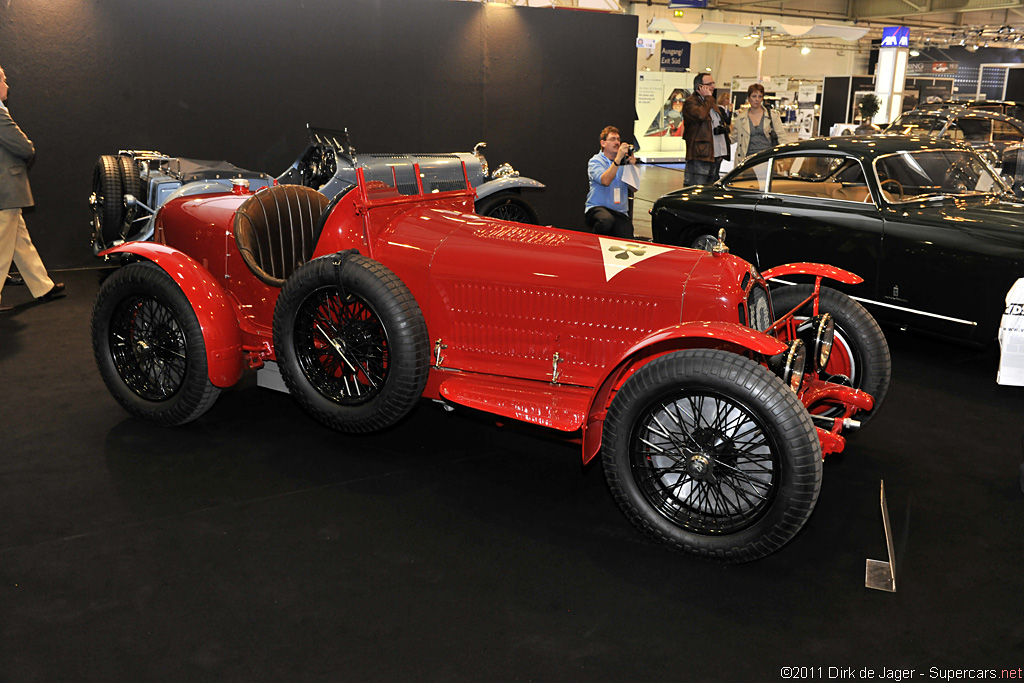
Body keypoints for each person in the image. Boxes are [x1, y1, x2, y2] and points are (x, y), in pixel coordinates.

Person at [0, 64, 63, 313]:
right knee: (2, 246)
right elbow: (25, 148)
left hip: (4, 191)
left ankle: (42, 286)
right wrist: (29, 146)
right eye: (4, 80)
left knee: (19, 241)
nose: (8, 85)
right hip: (5, 189)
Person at [584, 125, 636, 239]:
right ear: (603, 143)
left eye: (618, 139)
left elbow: (634, 188)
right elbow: (605, 181)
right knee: (606, 220)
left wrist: (631, 166)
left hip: (620, 212)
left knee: (627, 236)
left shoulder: (624, 162)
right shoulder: (595, 161)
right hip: (597, 208)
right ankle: (595, 244)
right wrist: (617, 160)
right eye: (612, 139)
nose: (617, 143)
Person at [682, 73, 731, 186]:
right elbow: (701, 116)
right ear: (700, 87)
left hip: (715, 154)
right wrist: (708, 98)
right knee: (697, 189)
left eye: (713, 83)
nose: (713, 86)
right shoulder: (691, 103)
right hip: (700, 155)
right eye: (709, 84)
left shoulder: (710, 102)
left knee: (711, 189)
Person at [734, 83, 790, 162]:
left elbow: (781, 137)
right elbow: (734, 136)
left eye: (760, 96)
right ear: (748, 98)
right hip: (747, 159)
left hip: (767, 157)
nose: (757, 99)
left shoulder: (772, 115)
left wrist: (785, 158)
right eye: (754, 96)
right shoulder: (741, 118)